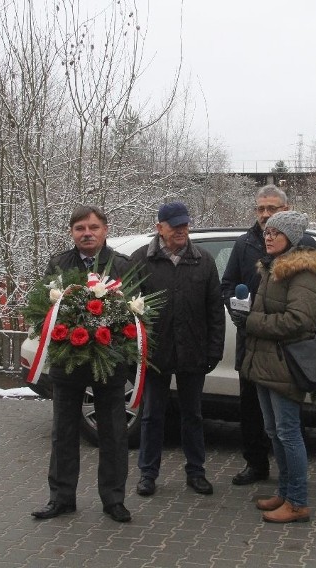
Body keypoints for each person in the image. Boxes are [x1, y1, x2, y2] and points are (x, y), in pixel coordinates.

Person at [31, 205, 133, 523]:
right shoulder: (59, 263)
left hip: (109, 363)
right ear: (72, 233)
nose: (86, 233)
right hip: (69, 361)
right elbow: (42, 307)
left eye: (93, 227)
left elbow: (135, 313)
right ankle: (61, 498)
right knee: (63, 432)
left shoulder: (123, 265)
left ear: (105, 230)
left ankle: (113, 500)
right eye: (79, 228)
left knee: (114, 434)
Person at [129, 202, 225, 497]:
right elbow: (128, 310)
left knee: (192, 415)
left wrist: (214, 351)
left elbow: (215, 311)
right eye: (175, 225)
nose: (182, 230)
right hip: (155, 353)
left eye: (185, 224)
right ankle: (148, 474)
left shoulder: (204, 261)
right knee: (152, 416)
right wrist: (136, 350)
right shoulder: (141, 260)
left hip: (193, 352)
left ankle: (196, 472)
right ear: (160, 228)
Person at [239, 211, 316, 523]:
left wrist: (251, 321)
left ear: (291, 237)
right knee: (273, 430)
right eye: (267, 231)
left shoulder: (302, 272)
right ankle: (286, 491)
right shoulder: (271, 267)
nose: (268, 236)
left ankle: (298, 502)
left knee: (288, 432)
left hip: (285, 363)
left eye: (276, 232)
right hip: (265, 361)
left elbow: (299, 320)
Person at [220, 184, 289, 485]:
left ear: (285, 210)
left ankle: (289, 471)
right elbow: (227, 285)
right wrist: (236, 310)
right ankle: (256, 464)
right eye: (261, 209)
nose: (265, 214)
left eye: (271, 208)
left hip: (283, 343)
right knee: (250, 408)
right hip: (249, 341)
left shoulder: (301, 245)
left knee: (284, 412)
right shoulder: (244, 244)